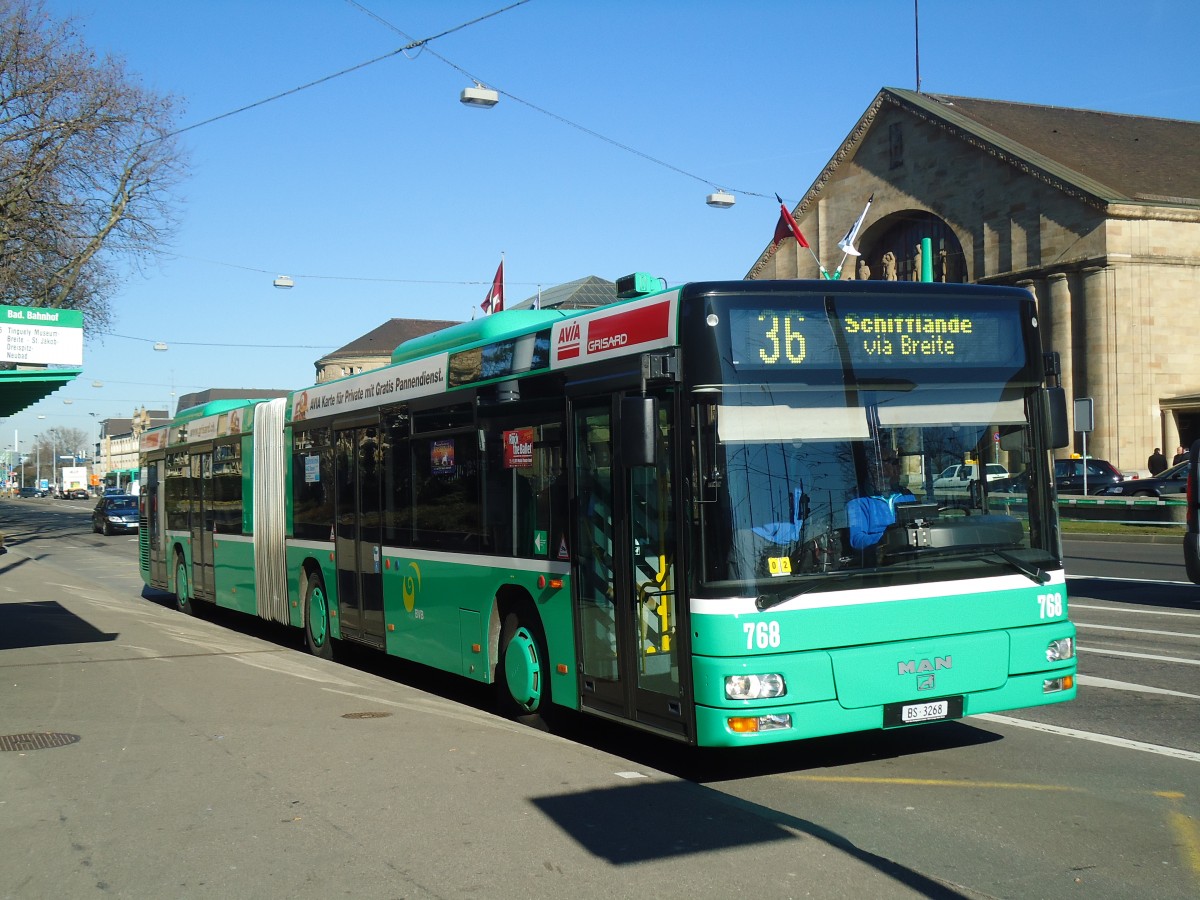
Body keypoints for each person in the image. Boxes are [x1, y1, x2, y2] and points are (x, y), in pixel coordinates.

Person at [847, 455, 915, 550]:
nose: (897, 472)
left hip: (913, 552)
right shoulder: (858, 502)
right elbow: (857, 540)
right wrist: (888, 537)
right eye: (892, 467)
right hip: (880, 559)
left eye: (896, 467)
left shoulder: (907, 496)